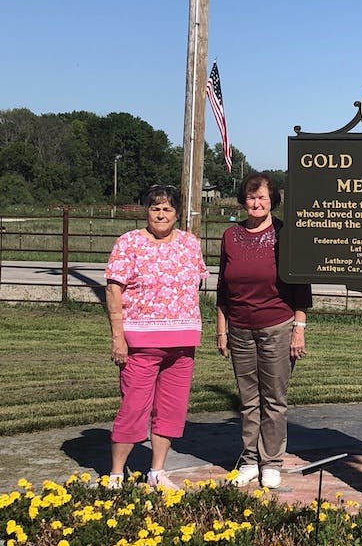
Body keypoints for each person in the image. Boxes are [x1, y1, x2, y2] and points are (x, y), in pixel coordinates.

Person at [105, 185, 208, 490]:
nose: (161, 214)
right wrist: (117, 337)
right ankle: (116, 474)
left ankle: (157, 471)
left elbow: (196, 285)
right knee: (133, 407)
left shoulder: (190, 244)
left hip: (183, 344)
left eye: (167, 209)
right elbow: (113, 290)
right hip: (140, 343)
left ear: (177, 214)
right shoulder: (129, 243)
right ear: (146, 211)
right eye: (155, 208)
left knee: (171, 409)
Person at [216, 171, 312, 489]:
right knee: (248, 400)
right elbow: (222, 287)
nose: (256, 203)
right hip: (240, 328)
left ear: (272, 201)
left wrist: (298, 328)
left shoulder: (286, 235)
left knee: (273, 399)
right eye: (251, 197)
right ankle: (248, 461)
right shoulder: (230, 236)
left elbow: (301, 288)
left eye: (262, 197)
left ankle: (270, 462)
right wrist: (222, 328)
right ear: (243, 201)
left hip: (278, 325)